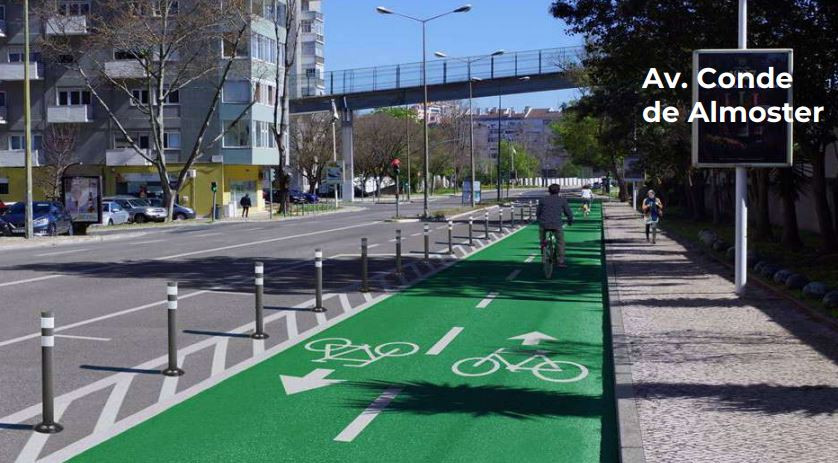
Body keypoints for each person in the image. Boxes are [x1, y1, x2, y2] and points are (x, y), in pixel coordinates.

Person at [537, 183, 574, 267]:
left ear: (549, 191)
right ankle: (560, 261)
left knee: (542, 240)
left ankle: (544, 256)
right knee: (560, 242)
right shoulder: (562, 200)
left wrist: (540, 220)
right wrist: (570, 221)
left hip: (544, 224)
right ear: (559, 191)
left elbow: (538, 213)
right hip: (557, 224)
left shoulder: (543, 199)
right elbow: (568, 213)